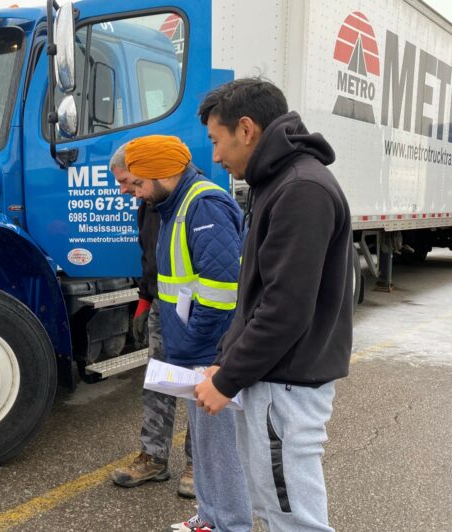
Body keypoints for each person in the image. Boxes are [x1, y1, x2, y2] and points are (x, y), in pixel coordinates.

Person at [193, 78, 353, 531]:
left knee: (292, 517)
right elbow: (257, 295)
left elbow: (285, 309)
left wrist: (227, 379)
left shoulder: (301, 188)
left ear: (246, 129)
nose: (217, 156)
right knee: (274, 504)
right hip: (275, 380)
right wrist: (225, 363)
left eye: (217, 140)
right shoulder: (278, 182)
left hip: (287, 383)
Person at [125, 135, 251, 532]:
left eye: (140, 182)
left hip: (209, 351)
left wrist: (198, 346)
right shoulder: (173, 205)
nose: (137, 192)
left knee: (219, 448)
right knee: (206, 445)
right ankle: (211, 516)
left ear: (164, 173)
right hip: (195, 348)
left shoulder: (202, 205)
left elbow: (220, 293)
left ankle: (229, 523)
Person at [109, 143, 195, 499]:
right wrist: (145, 300)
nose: (125, 190)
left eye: (128, 180)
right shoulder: (149, 206)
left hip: (194, 313)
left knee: (195, 387)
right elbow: (150, 257)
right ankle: (154, 458)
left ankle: (197, 464)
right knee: (159, 383)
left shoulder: (197, 203)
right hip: (162, 305)